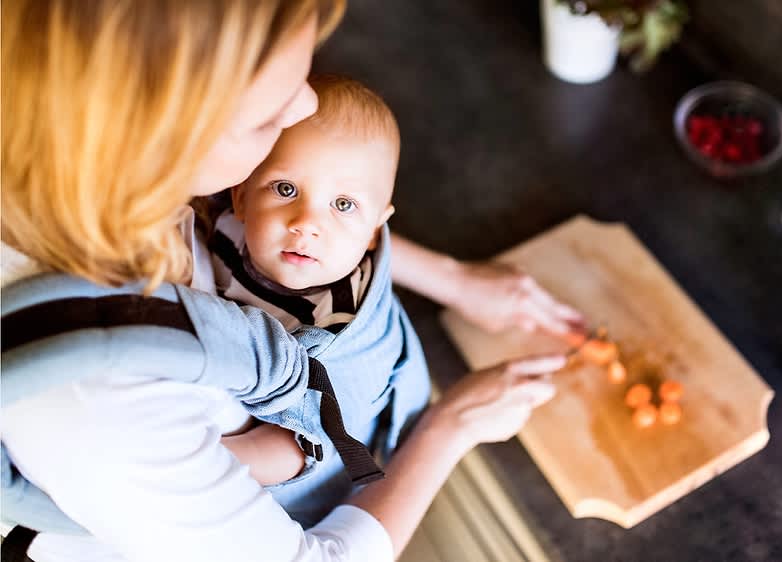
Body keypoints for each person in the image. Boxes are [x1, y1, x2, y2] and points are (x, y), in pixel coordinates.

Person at [1, 2, 582, 562]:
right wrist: (452, 426)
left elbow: (300, 222)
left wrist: (454, 279)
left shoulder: (107, 177)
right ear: (160, 140)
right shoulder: (98, 404)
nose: (306, 105)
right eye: (265, 116)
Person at [195, 74, 432, 526]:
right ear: (240, 196)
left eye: (343, 205)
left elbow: (299, 447)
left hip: (276, 480)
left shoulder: (333, 327)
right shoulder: (222, 224)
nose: (306, 223)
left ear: (373, 232)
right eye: (286, 189)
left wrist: (202, 456)